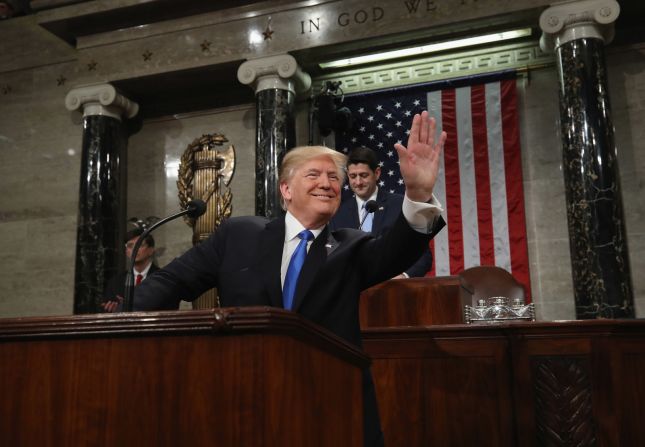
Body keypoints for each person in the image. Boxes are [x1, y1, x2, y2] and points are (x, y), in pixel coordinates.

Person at [134, 111, 447, 447]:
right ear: (285, 188)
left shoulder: (351, 247)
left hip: (332, 408)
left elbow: (400, 249)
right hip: (247, 406)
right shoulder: (238, 236)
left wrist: (416, 193)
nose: (327, 183)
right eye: (314, 174)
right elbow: (170, 282)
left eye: (333, 177)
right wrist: (125, 321)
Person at [330, 145, 443, 278]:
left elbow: (423, 257)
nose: (358, 182)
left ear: (377, 173)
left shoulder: (401, 205)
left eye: (364, 175)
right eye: (353, 176)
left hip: (396, 291)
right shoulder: (337, 214)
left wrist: (404, 276)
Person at [102, 227, 159, 312]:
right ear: (126, 252)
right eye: (130, 246)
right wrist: (113, 309)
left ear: (151, 250)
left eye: (139, 245)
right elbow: (105, 308)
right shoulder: (115, 282)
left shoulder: (161, 277)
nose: (134, 249)